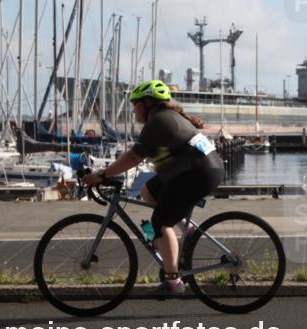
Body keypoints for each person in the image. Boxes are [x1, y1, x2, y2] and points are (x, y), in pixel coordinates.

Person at [83, 79, 224, 295]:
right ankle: (188, 233)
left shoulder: (159, 122)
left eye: (135, 104)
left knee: (160, 222)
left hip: (197, 172)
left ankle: (173, 282)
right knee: (148, 191)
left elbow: (132, 158)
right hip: (196, 168)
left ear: (148, 103)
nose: (133, 110)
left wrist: (102, 175)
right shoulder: (165, 118)